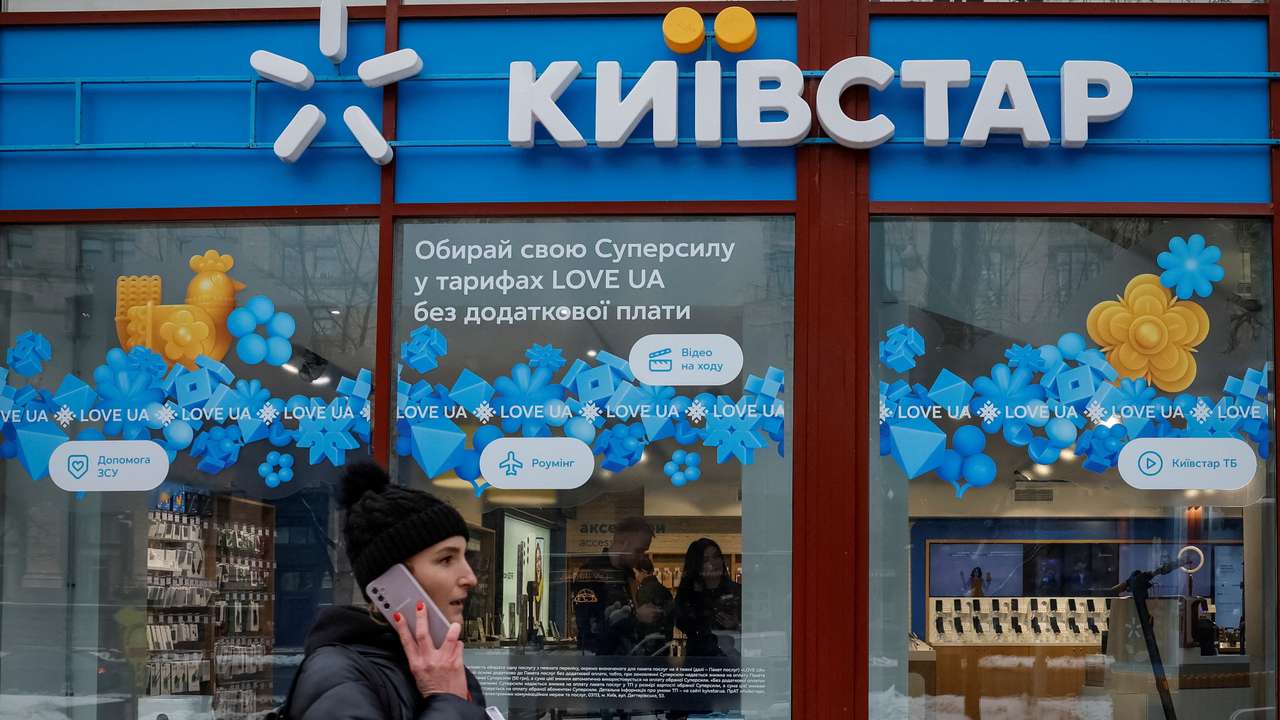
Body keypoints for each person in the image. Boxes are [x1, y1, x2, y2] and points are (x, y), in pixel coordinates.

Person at [284, 462, 489, 720]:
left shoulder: (446, 671)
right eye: (446, 559)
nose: (470, 578)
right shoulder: (336, 674)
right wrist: (448, 701)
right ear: (391, 582)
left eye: (464, 557)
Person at [572, 516, 669, 657]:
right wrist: (638, 617)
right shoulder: (591, 573)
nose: (641, 556)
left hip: (626, 661)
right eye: (639, 550)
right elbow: (590, 630)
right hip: (601, 665)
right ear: (624, 543)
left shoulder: (627, 574)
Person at [674, 538, 741, 660]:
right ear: (697, 565)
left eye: (716, 557)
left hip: (731, 658)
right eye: (705, 560)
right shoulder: (689, 594)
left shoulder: (737, 592)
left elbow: (756, 628)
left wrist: (736, 625)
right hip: (698, 660)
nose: (714, 563)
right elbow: (682, 623)